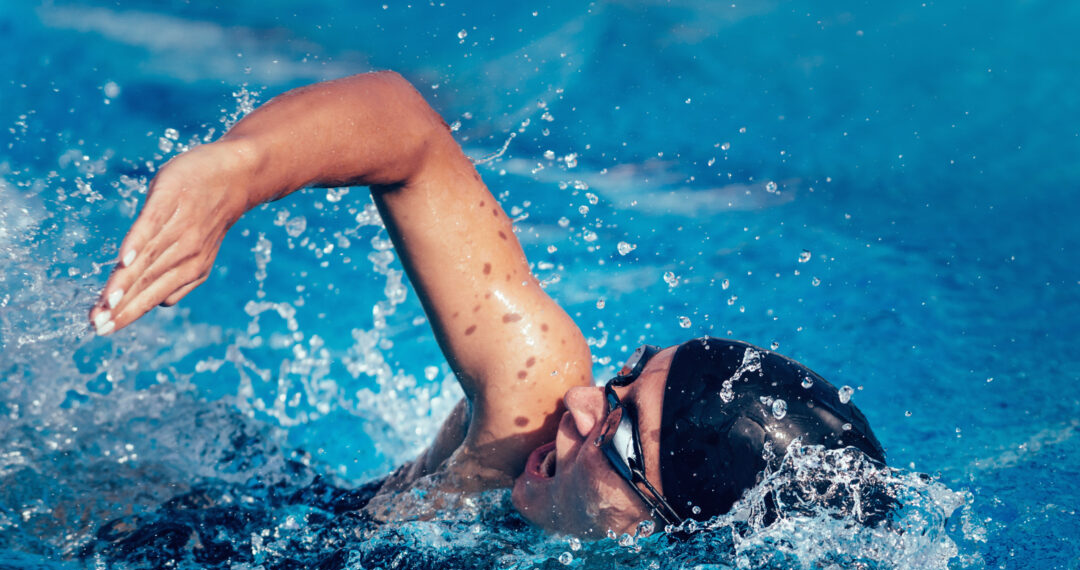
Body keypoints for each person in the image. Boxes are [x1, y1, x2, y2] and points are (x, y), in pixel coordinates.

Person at [89, 72, 888, 540]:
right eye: (622, 380)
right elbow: (406, 130)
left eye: (617, 445)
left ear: (667, 530)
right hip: (171, 535)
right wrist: (233, 174)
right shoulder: (531, 405)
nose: (580, 406)